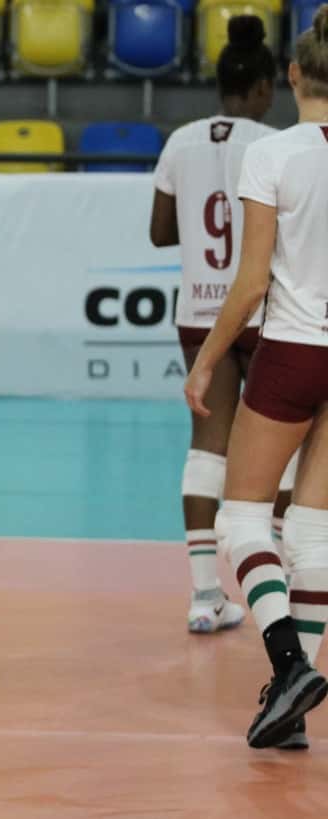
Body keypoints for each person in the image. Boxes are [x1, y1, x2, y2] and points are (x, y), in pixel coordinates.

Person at [184, 7, 328, 750]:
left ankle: (288, 664)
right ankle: (291, 708)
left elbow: (247, 286)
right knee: (313, 528)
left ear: (296, 74)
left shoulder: (275, 153)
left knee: (243, 519)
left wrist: (207, 360)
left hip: (295, 348)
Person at [151, 15, 298, 635]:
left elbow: (159, 233)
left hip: (198, 313)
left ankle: (205, 595)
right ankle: (284, 586)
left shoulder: (181, 141)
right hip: (261, 311)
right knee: (285, 451)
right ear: (266, 86)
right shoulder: (272, 143)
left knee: (204, 449)